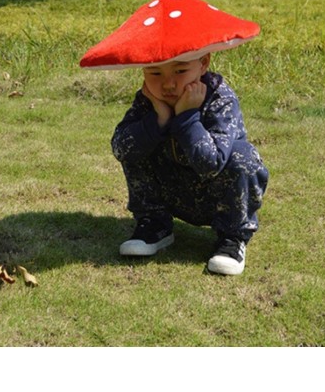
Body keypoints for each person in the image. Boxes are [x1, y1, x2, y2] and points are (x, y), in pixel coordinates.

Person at [111, 52, 268, 275]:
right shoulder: (148, 100)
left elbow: (211, 164)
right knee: (136, 142)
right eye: (154, 72)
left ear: (203, 63)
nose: (168, 84)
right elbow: (120, 149)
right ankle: (155, 224)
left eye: (181, 71)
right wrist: (158, 120)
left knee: (242, 156)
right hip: (171, 192)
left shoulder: (220, 99)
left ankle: (232, 237)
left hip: (217, 199)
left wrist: (186, 118)